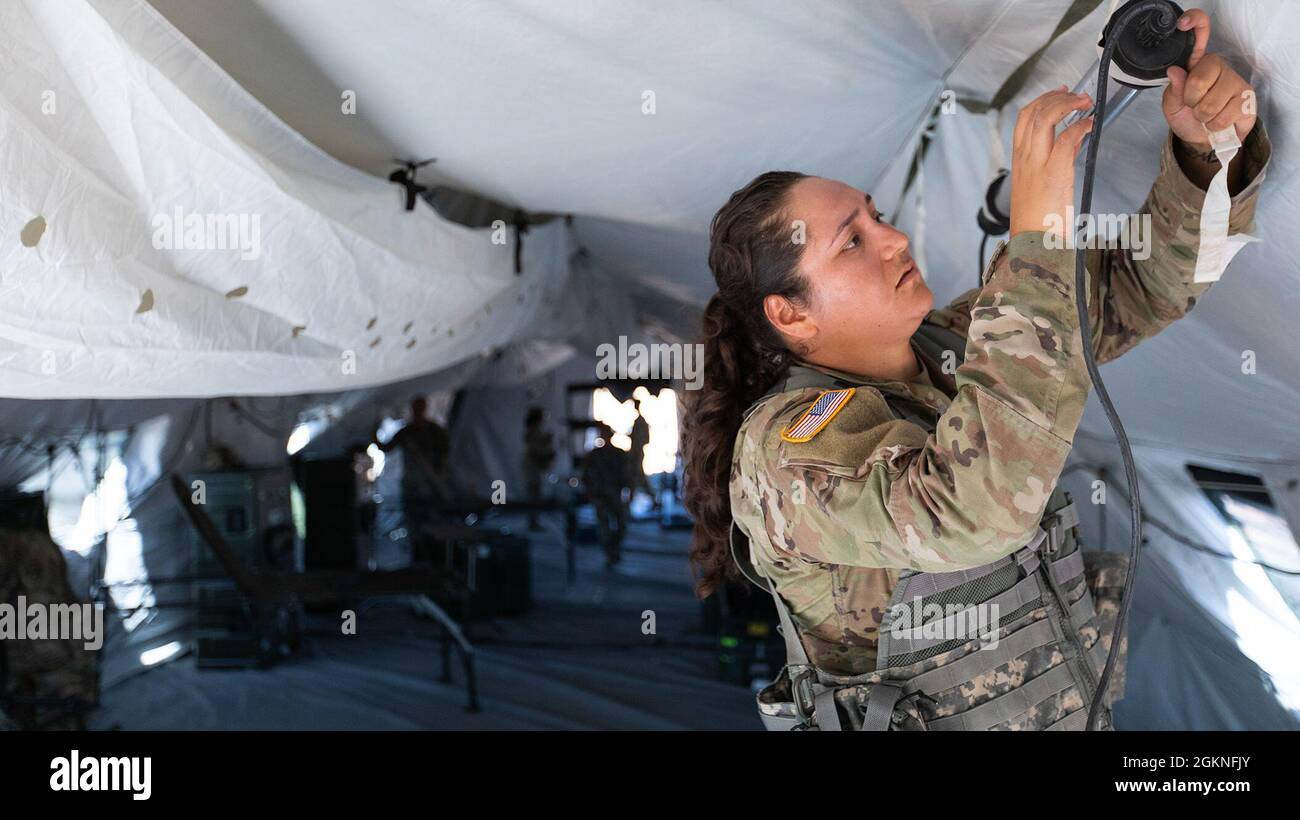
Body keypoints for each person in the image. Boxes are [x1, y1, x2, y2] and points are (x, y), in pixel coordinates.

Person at [682, 10, 1269, 731]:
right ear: (792, 315)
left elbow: (1152, 284)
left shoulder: (956, 344)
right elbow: (972, 510)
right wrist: (1038, 234)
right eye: (852, 243)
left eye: (877, 217)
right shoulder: (785, 452)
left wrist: (1206, 146)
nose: (894, 239)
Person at [373, 396, 451, 562]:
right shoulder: (407, 432)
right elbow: (385, 447)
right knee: (415, 525)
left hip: (429, 487)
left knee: (431, 524)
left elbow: (445, 453)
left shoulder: (434, 432)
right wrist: (374, 428)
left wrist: (438, 475)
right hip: (413, 486)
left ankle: (434, 557)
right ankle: (419, 557)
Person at [581, 423, 630, 567]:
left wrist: (630, 490)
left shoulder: (619, 454)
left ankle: (614, 549)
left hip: (614, 493)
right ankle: (610, 552)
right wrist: (590, 493)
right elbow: (586, 476)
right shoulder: (594, 455)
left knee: (621, 524)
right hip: (599, 494)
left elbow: (625, 475)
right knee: (604, 527)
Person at [522, 406, 557, 531]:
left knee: (535, 494)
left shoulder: (533, 431)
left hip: (534, 467)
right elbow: (536, 450)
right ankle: (533, 522)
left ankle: (534, 520)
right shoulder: (533, 432)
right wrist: (546, 444)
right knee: (534, 495)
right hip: (533, 467)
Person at [628, 399, 656, 509]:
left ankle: (653, 499)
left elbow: (643, 439)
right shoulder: (639, 421)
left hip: (637, 453)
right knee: (635, 478)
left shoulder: (640, 421)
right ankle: (652, 499)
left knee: (637, 477)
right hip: (637, 452)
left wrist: (636, 450)